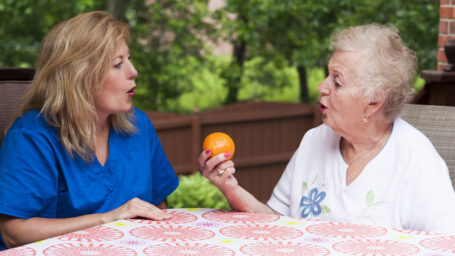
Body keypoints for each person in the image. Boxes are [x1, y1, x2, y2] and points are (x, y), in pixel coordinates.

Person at [199, 24, 455, 234]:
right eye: (327, 75)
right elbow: (276, 223)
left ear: (374, 101)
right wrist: (230, 188)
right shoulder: (314, 140)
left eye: (338, 82)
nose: (322, 87)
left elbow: (446, 244)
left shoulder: (416, 159)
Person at [0, 11, 179, 250]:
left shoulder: (139, 125)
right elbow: (14, 232)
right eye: (118, 64)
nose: (133, 71)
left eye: (129, 59)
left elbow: (158, 208)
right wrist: (110, 219)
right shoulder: (31, 136)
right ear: (80, 77)